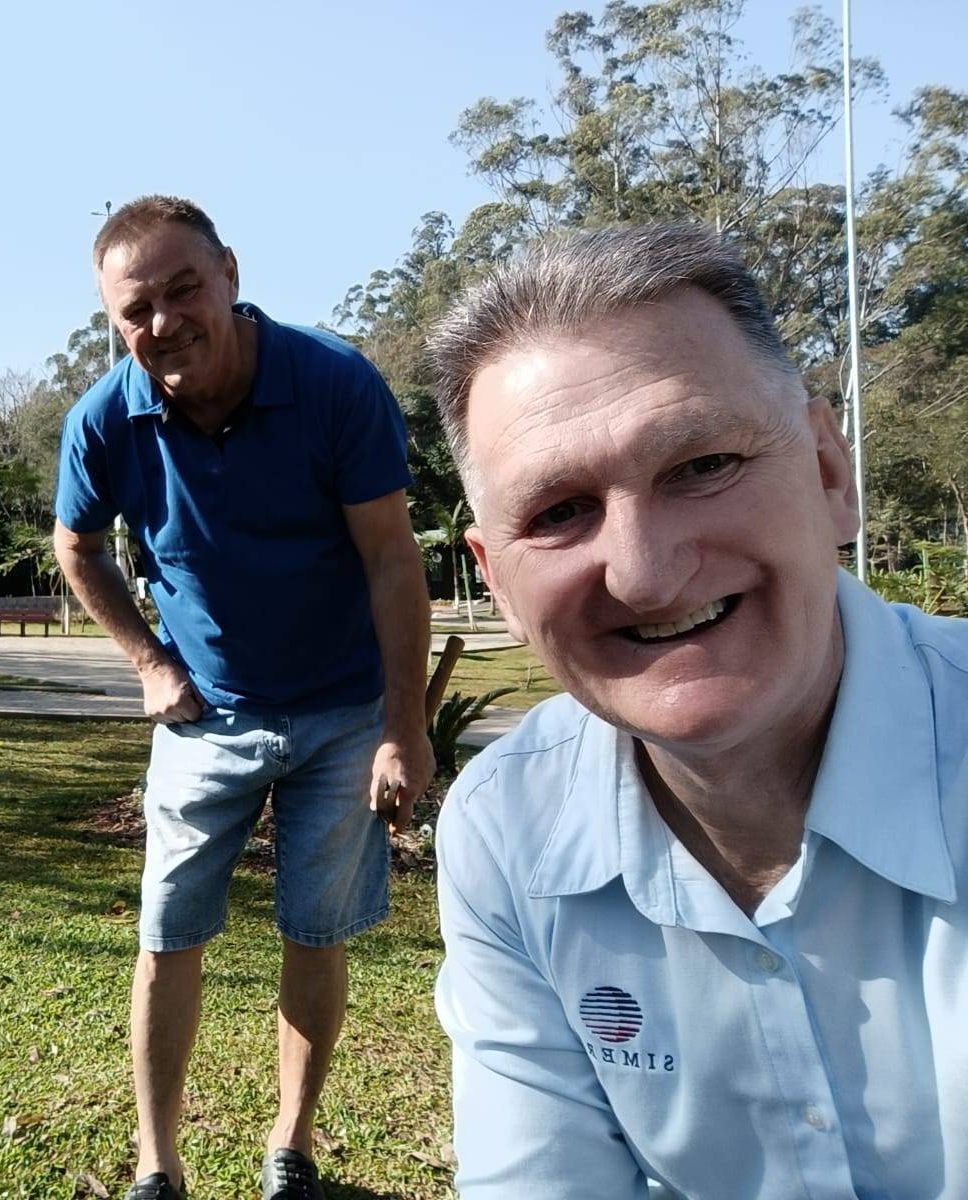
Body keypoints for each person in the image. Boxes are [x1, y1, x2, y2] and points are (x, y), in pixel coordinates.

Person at [426, 223, 968, 1198]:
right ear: (495, 581)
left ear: (829, 471)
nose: (643, 574)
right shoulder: (507, 829)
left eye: (702, 464)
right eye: (557, 513)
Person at [53, 196, 433, 1200]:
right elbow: (75, 547)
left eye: (184, 289)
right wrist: (148, 662)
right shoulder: (105, 420)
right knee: (166, 933)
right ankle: (157, 1163)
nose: (164, 322)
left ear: (229, 272)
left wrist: (404, 728)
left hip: (343, 711)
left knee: (315, 930)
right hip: (204, 719)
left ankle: (289, 1149)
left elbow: (391, 558)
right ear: (113, 320)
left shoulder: (333, 383)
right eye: (136, 310)